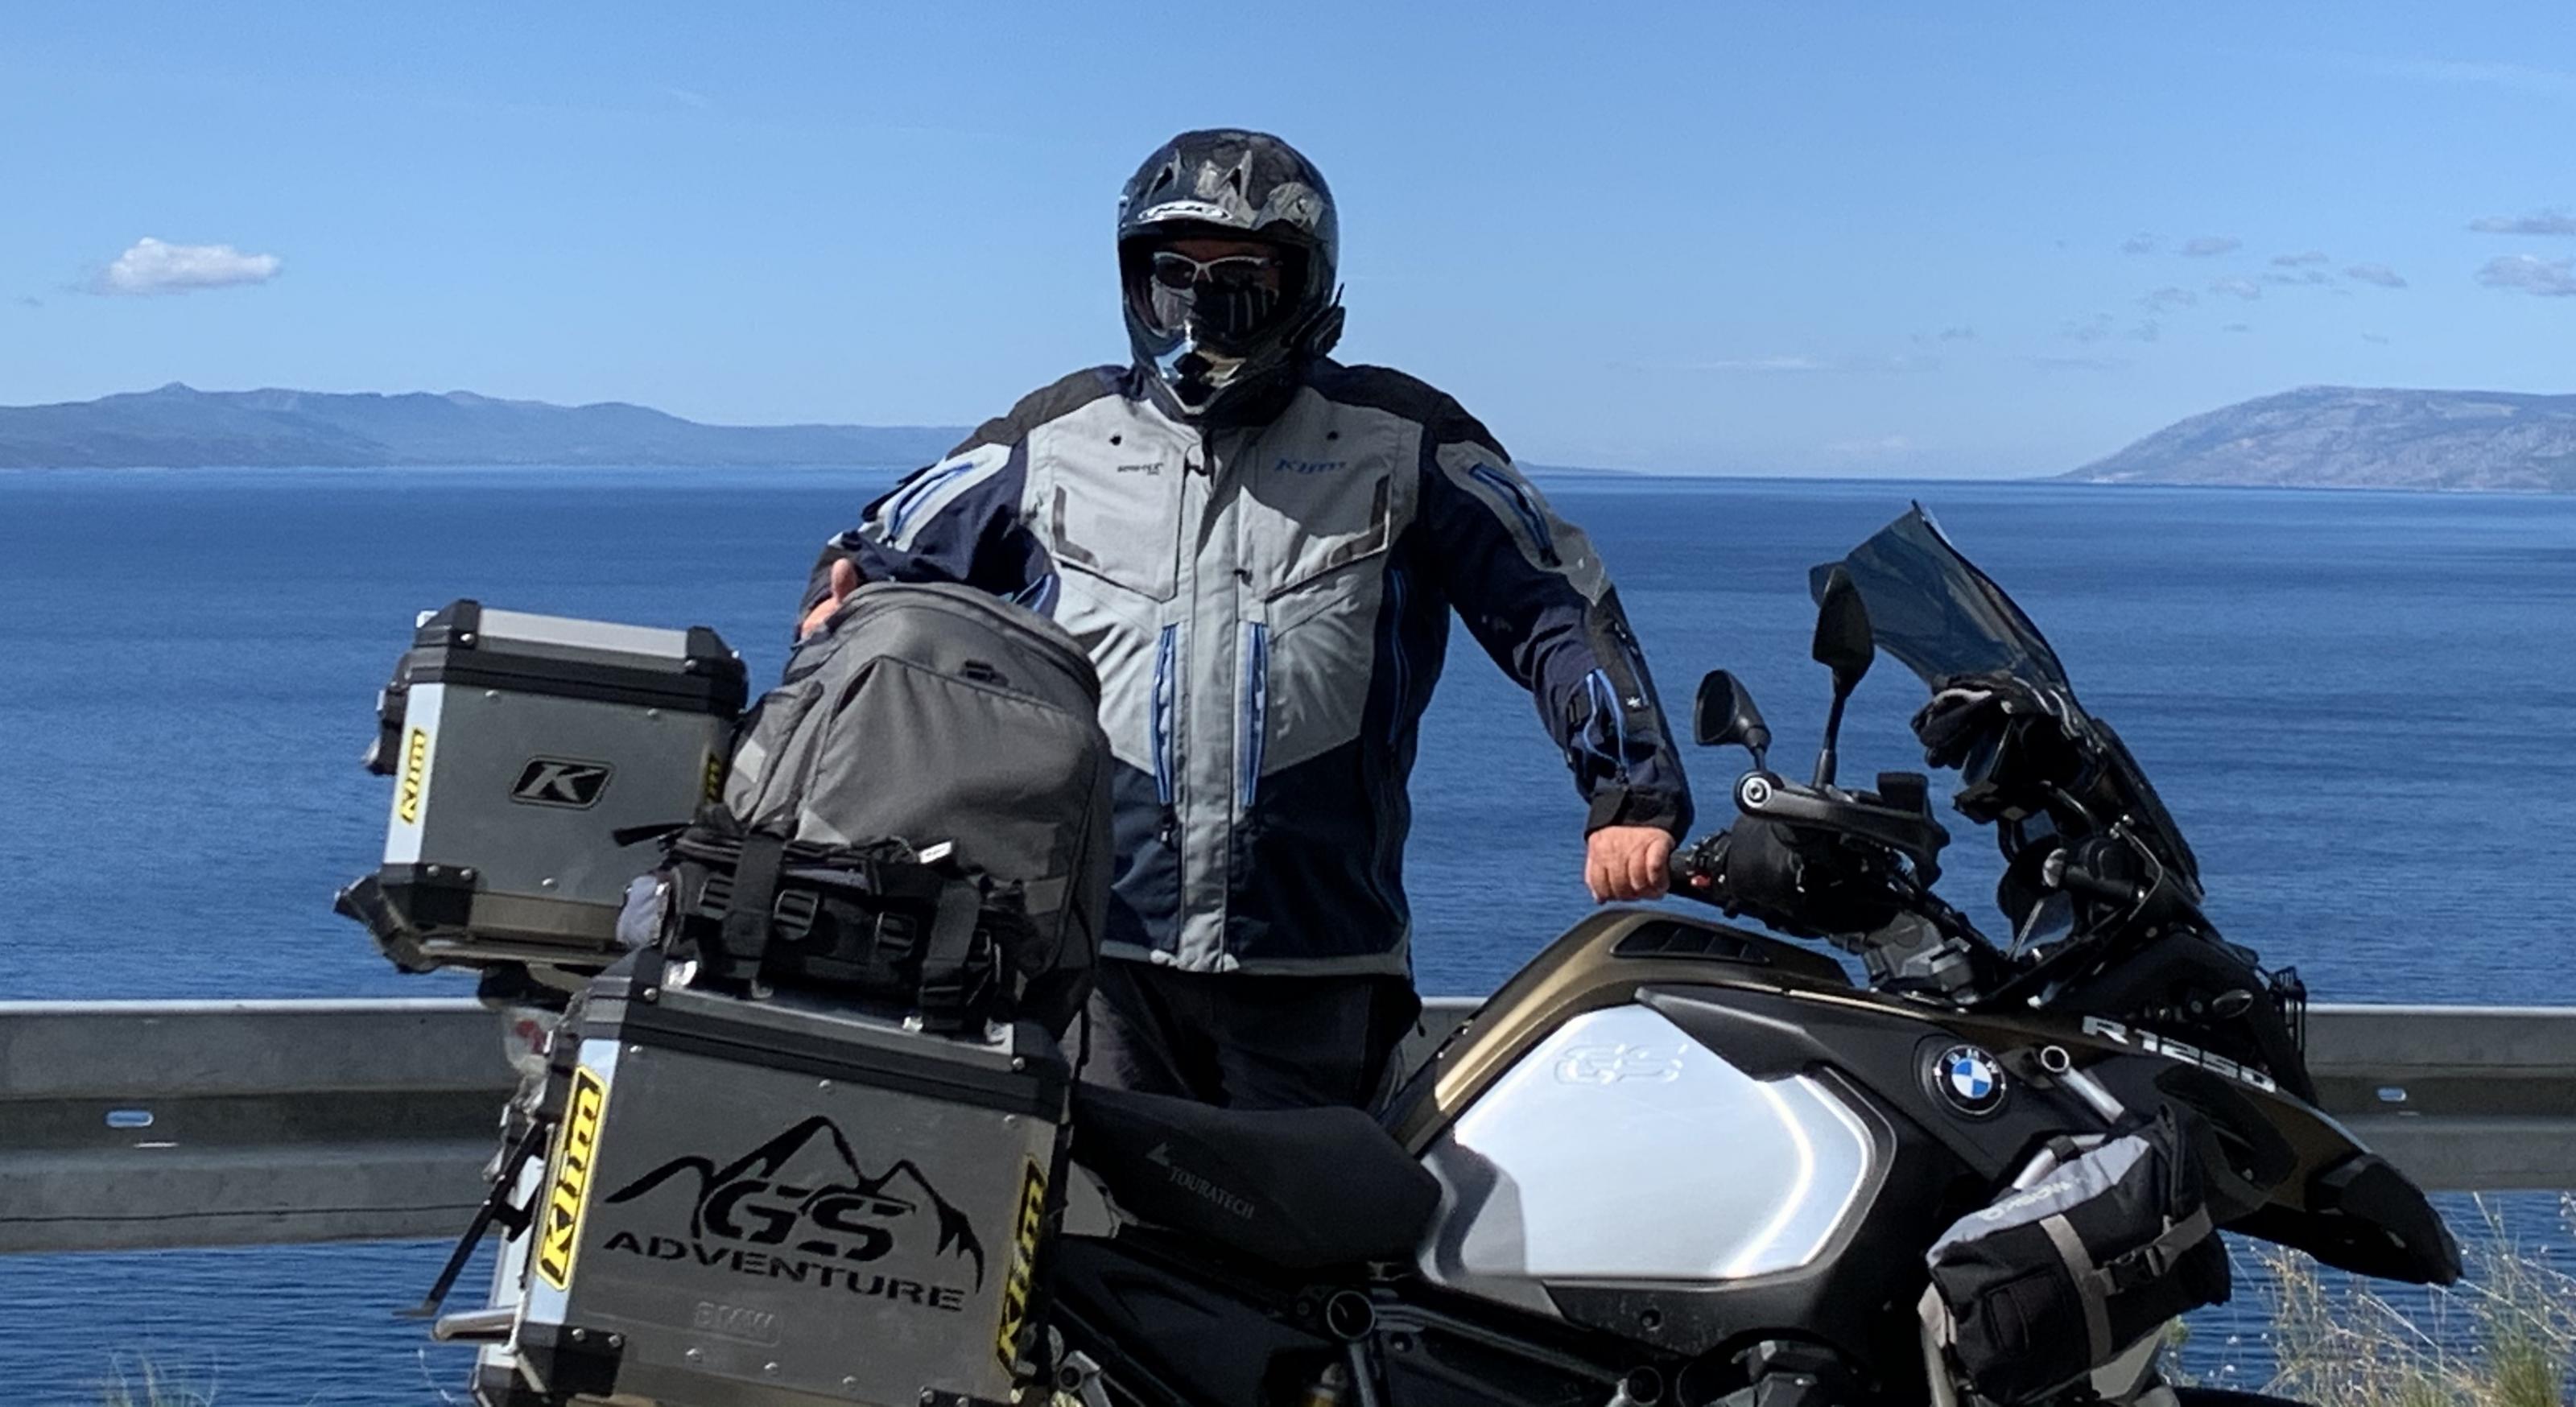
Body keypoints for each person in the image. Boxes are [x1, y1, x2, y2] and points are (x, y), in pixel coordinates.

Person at [797, 129, 1690, 1109]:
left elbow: (1555, 604)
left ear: (1304, 284)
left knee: (1311, 1209)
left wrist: (1628, 797)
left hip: (1316, 961)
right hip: (1098, 956)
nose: (1199, 305)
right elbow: (872, 568)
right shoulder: (1055, 438)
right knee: (1091, 1206)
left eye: (1240, 278)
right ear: (1134, 282)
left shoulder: (1403, 440)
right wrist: (821, 705)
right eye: (1172, 275)